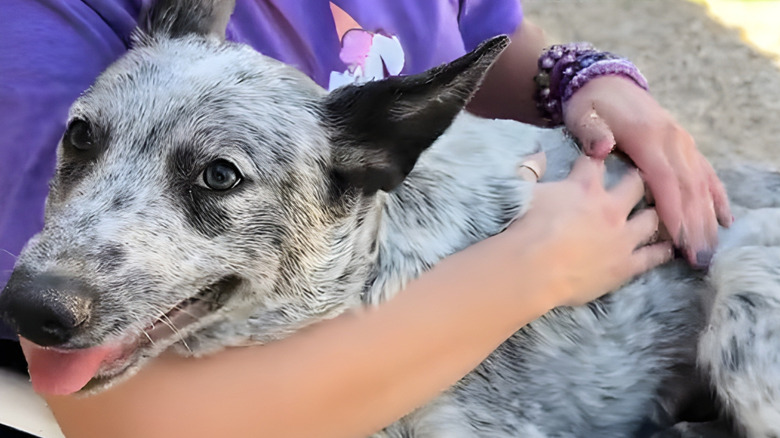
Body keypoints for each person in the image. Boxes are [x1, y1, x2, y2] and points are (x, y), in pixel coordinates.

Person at [0, 1, 730, 437]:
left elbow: (488, 30)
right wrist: (528, 273)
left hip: (693, 279)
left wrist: (576, 78)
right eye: (84, 140)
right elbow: (140, 427)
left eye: (220, 176)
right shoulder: (48, 29)